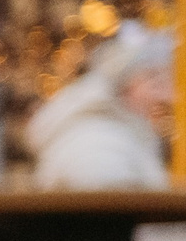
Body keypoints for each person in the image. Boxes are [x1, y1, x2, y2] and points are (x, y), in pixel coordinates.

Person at [29, 22, 173, 189]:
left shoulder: (121, 136)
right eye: (155, 81)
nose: (167, 96)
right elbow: (109, 208)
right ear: (125, 85)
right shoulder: (97, 144)